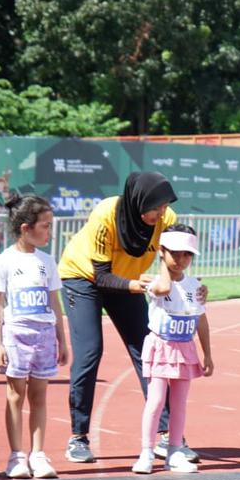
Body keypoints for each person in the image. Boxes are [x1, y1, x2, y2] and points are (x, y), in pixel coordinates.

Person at [59, 172, 198, 464]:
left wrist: (190, 286)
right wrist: (136, 285)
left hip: (129, 281)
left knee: (147, 349)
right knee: (90, 351)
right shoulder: (106, 214)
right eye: (156, 207)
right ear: (139, 202)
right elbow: (101, 276)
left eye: (165, 206)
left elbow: (172, 260)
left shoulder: (166, 219)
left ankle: (166, 435)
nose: (162, 213)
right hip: (83, 278)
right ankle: (78, 436)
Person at [0, 195, 68, 479]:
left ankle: (38, 454)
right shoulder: (4, 261)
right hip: (16, 335)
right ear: (25, 228)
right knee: (15, 395)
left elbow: (55, 302)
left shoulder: (47, 261)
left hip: (44, 336)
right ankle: (16, 456)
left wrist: (62, 339)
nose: (50, 232)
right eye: (45, 226)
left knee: (39, 396)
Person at [132, 225, 213, 474]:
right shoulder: (156, 282)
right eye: (174, 253)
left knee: (179, 403)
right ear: (162, 252)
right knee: (156, 400)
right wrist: (162, 264)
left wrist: (208, 354)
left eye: (187, 254)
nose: (181, 259)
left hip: (185, 348)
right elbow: (164, 289)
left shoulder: (194, 286)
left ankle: (175, 451)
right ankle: (146, 452)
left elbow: (201, 320)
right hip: (161, 346)